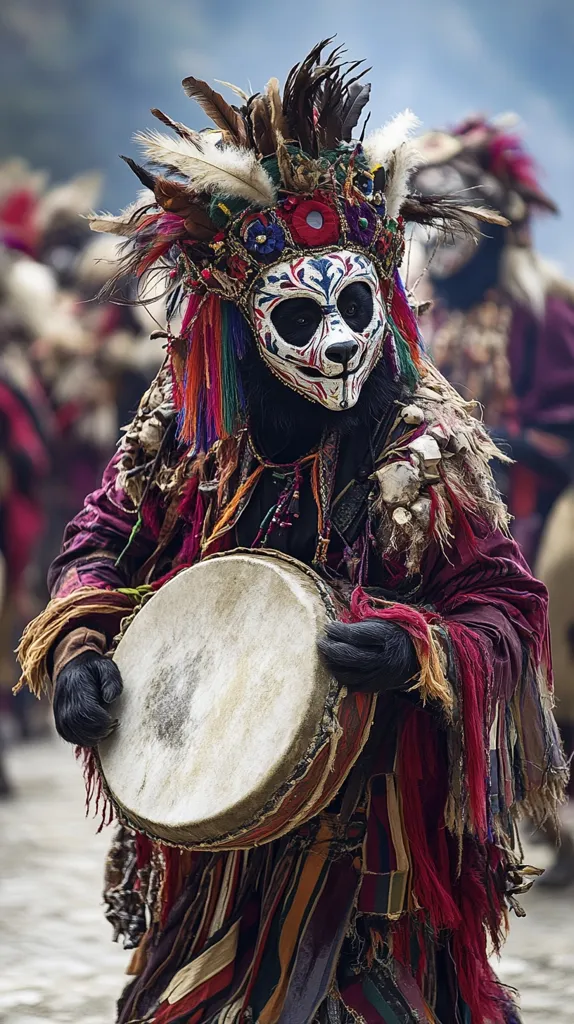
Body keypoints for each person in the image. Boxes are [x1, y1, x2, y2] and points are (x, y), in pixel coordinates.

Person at [18, 44, 566, 1023]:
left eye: (357, 306)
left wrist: (419, 648)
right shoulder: (180, 437)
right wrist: (80, 651)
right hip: (218, 853)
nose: (341, 340)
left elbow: (509, 604)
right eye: (302, 315)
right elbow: (97, 545)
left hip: (376, 850)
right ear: (238, 324)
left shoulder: (422, 444)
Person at [410, 116, 574, 886]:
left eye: (458, 220)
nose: (444, 240)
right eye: (431, 221)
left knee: (555, 595)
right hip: (441, 506)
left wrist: (501, 440)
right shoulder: (419, 314)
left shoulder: (545, 309)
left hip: (537, 501)